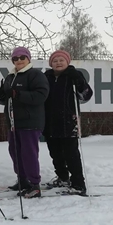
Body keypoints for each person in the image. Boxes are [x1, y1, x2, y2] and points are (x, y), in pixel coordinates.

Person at [0, 46, 49, 198]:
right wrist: (1, 95)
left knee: (28, 153)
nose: (19, 61)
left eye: (22, 58)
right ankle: (22, 180)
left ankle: (34, 184)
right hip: (13, 122)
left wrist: (18, 94)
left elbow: (41, 95)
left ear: (28, 59)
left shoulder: (35, 75)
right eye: (15, 59)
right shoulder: (11, 76)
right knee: (15, 151)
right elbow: (8, 98)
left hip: (30, 121)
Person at [43, 50, 93, 195]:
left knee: (71, 154)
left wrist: (79, 81)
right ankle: (62, 177)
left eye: (61, 60)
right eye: (55, 60)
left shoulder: (74, 76)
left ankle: (78, 183)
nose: (58, 63)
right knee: (55, 153)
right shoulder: (47, 77)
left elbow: (86, 95)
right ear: (51, 63)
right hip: (50, 122)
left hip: (69, 122)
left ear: (67, 62)